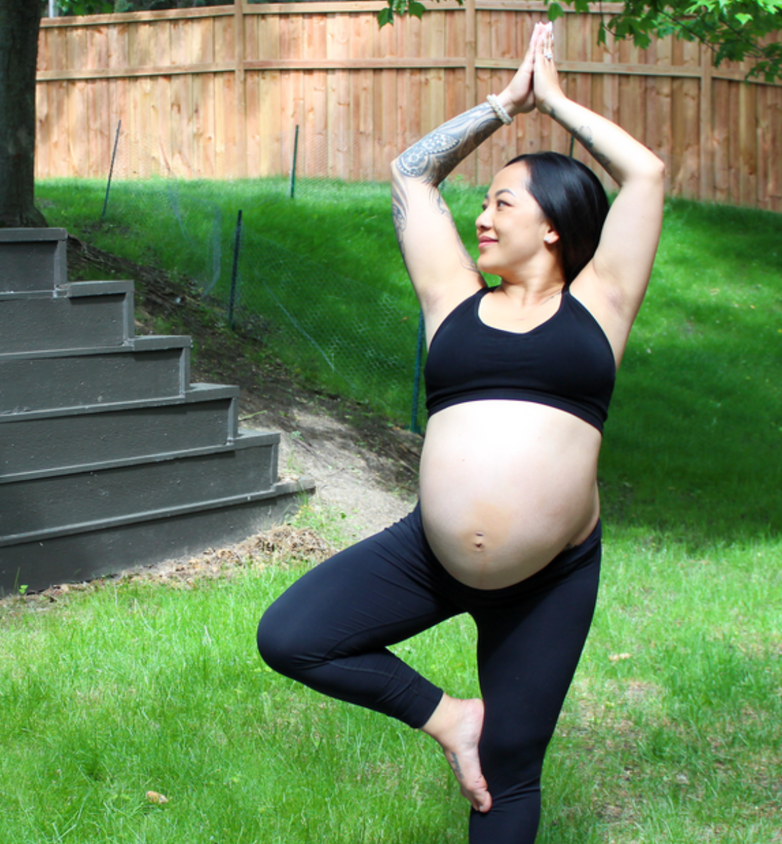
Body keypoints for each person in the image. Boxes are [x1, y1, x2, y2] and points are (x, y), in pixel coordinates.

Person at [255, 21, 665, 844]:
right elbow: (412, 173)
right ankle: (452, 719)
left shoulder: (602, 305)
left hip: (549, 578)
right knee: (292, 636)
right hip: (428, 557)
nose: (482, 218)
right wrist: (500, 106)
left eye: (501, 203)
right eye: (482, 203)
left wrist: (554, 101)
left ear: (553, 226)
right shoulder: (452, 299)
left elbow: (645, 173)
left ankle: (487, 741)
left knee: (507, 781)